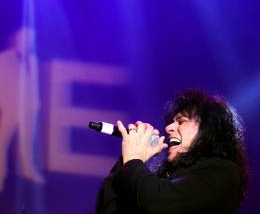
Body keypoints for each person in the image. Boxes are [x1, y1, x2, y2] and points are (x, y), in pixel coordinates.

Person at [95, 89, 248, 214]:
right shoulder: (162, 179)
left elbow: (156, 203)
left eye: (181, 121)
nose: (169, 128)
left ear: (208, 129)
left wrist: (134, 159)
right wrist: (127, 157)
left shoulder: (223, 172)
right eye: (171, 122)